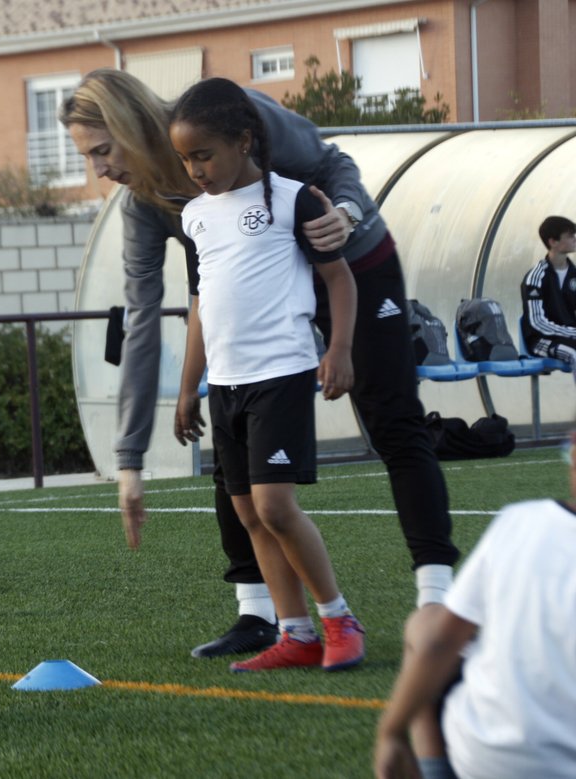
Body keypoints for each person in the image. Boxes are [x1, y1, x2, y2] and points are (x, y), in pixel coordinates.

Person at [61, 68, 458, 659]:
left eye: (101, 150)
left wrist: (345, 214)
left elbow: (330, 162)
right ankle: (261, 615)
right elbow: (145, 318)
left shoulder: (227, 114)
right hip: (258, 310)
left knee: (393, 422)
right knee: (233, 457)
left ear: (132, 125)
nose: (98, 169)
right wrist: (130, 460)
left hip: (348, 260)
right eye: (86, 157)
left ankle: (437, 598)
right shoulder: (147, 204)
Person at [164, 77, 364, 672]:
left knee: (275, 506)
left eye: (204, 155)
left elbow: (339, 279)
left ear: (244, 141)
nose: (195, 170)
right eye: (185, 159)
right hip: (225, 384)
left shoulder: (295, 200)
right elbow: (201, 306)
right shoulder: (195, 217)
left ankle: (339, 619)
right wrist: (187, 388)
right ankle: (295, 633)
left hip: (281, 372)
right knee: (249, 513)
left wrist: (340, 349)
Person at [373, 432, 576, 779]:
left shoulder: (521, 521)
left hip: (485, 757)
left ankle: (434, 770)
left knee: (425, 623)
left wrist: (390, 733)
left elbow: (438, 640)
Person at [521, 214, 576, 381]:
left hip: (570, 336)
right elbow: (537, 322)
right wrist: (572, 332)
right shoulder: (535, 277)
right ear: (553, 242)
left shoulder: (574, 274)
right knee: (574, 354)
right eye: (570, 236)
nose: (574, 238)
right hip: (541, 339)